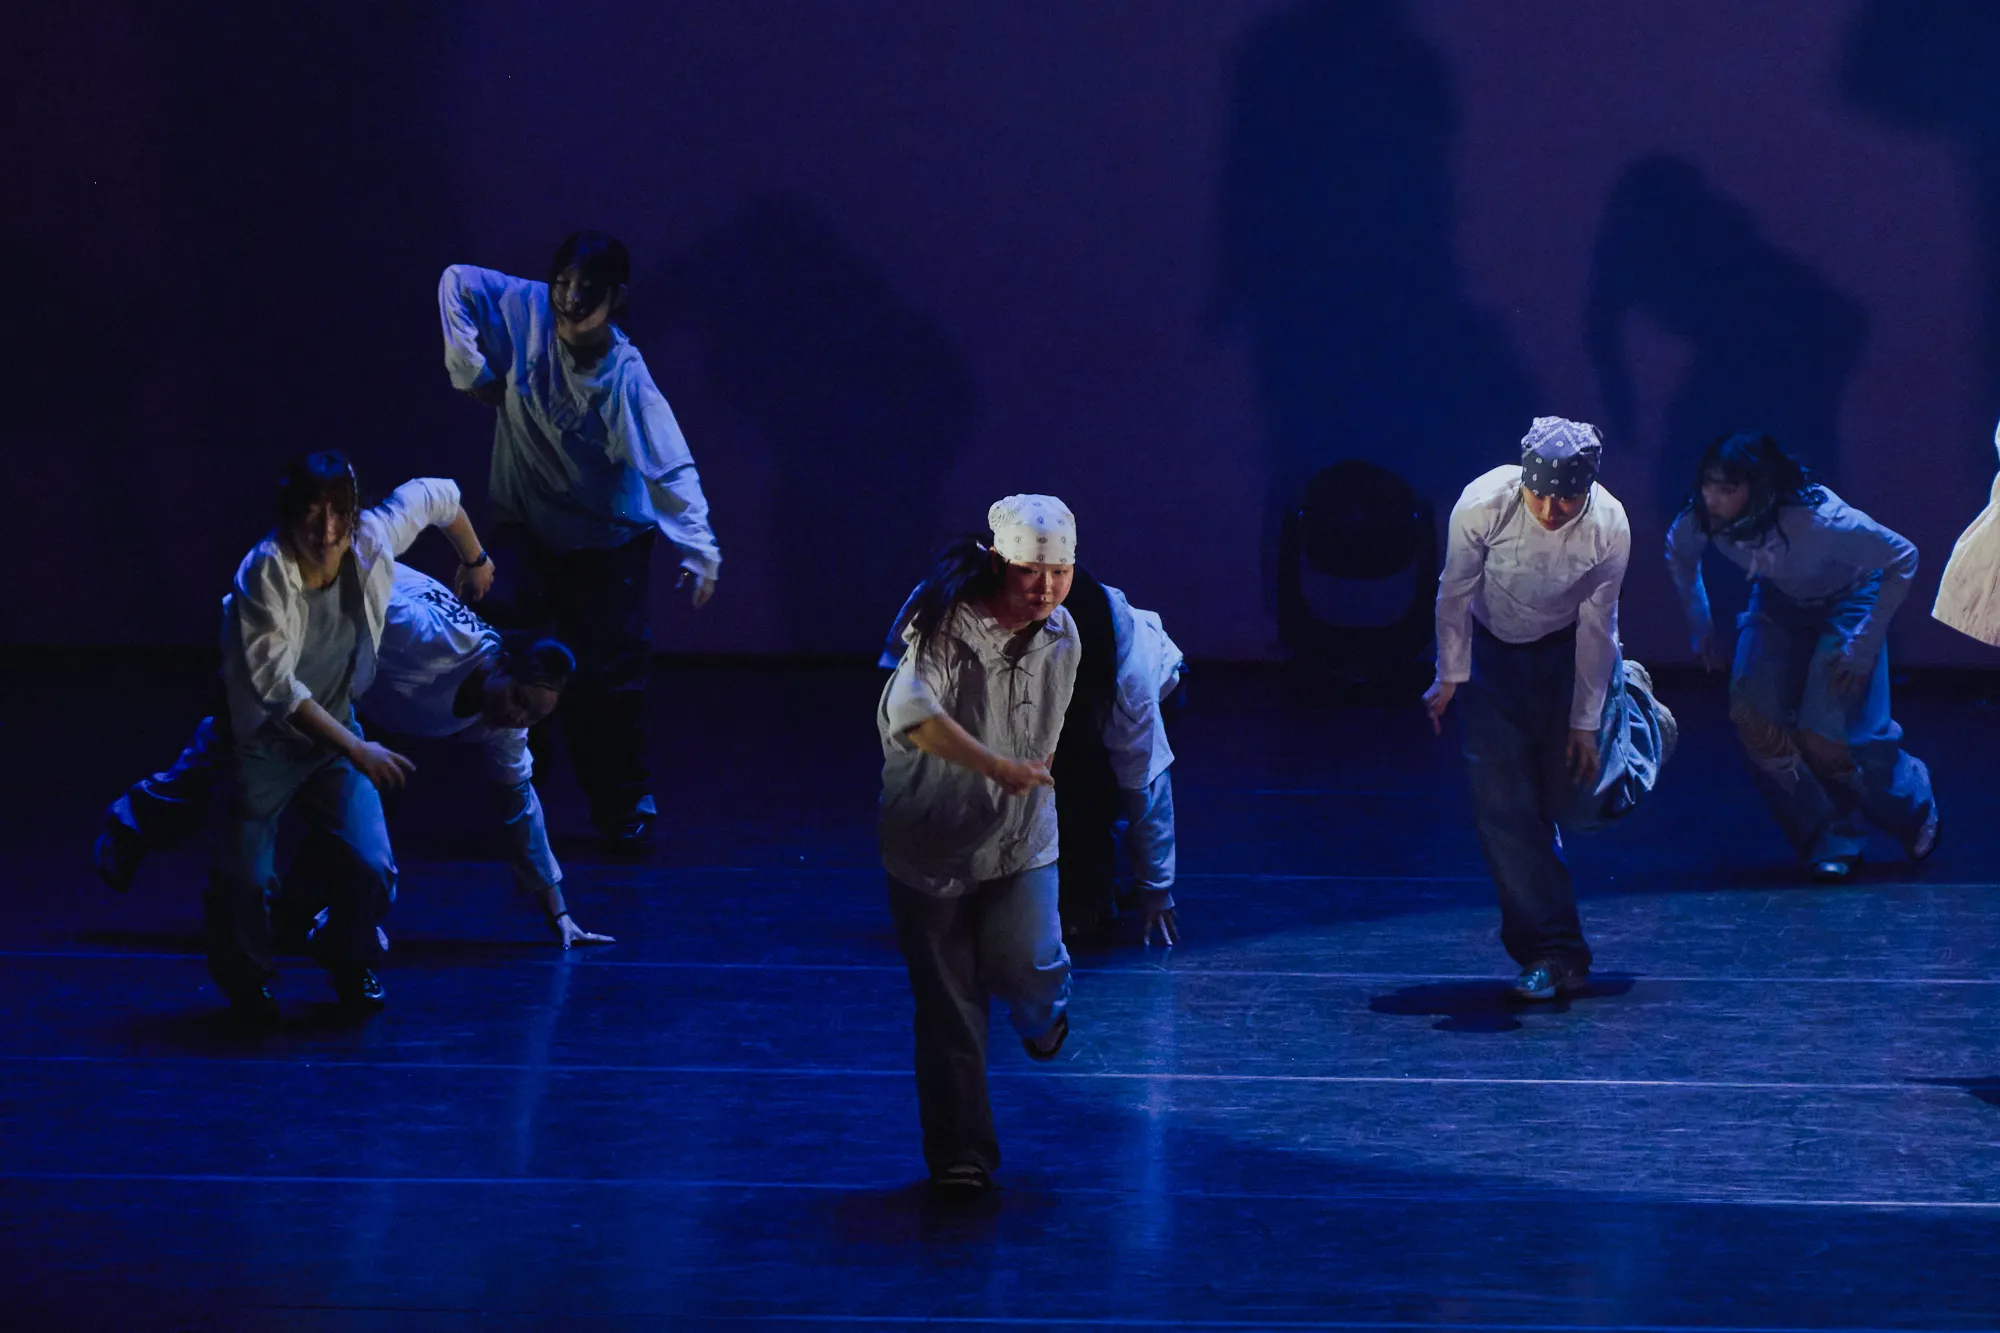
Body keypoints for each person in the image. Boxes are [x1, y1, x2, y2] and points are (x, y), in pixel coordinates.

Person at [98, 566, 614, 950]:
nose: (517, 716)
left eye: (533, 716)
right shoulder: (423, 633)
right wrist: (256, 650)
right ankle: (130, 823)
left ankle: (297, 910)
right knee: (232, 749)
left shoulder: (505, 726)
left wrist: (559, 913)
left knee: (367, 799)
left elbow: (520, 811)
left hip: (359, 700)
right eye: (518, 699)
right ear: (501, 663)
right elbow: (338, 585)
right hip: (307, 645)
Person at [439, 230, 723, 845]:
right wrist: (469, 368)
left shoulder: (624, 376)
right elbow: (456, 280)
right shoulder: (525, 308)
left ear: (616, 297)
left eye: (586, 288)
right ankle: (517, 794)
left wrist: (699, 548)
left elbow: (669, 465)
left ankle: (622, 809)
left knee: (606, 680)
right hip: (527, 526)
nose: (569, 298)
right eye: (562, 283)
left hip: (607, 541)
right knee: (507, 656)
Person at [204, 454, 489, 1023]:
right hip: (263, 740)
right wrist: (357, 749)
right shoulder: (263, 573)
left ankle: (346, 953)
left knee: (371, 864)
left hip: (333, 728)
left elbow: (438, 495)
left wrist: (474, 559)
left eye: (340, 513)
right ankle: (247, 980)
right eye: (313, 513)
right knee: (246, 878)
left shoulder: (369, 538)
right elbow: (277, 689)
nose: (328, 530)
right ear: (290, 515)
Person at [1424, 418, 1675, 1001]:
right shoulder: (1483, 503)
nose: (1551, 510)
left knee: (1582, 803)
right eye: (1540, 495)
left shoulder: (1608, 525)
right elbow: (1454, 590)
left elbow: (1598, 625)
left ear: (1587, 488)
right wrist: (1450, 675)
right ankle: (1552, 952)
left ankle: (1640, 714)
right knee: (1505, 809)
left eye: (1566, 498)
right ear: (1524, 481)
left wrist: (1585, 724)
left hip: (1568, 653)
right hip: (1491, 655)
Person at [878, 495, 1079, 1197]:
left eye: (1059, 572)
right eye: (1030, 571)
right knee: (950, 1007)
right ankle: (960, 1154)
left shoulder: (1064, 634)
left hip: (1021, 834)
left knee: (1030, 961)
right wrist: (994, 765)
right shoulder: (943, 625)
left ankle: (1042, 1015)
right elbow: (911, 713)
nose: (1045, 588)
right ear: (998, 563)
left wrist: (1021, 778)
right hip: (931, 840)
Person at [1666, 431, 1937, 881]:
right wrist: (1701, 624)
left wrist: (1863, 644)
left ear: (1759, 487)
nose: (1711, 498)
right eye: (1708, 484)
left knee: (1824, 738)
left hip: (1849, 599)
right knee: (1755, 721)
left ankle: (1911, 802)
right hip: (1779, 603)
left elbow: (1902, 557)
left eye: (1726, 488)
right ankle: (1829, 837)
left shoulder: (1821, 520)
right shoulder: (1702, 518)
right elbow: (1680, 553)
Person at [879, 571, 1185, 948]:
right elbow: (903, 664)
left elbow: (1145, 785)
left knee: (1080, 789)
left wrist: (1157, 889)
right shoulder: (957, 597)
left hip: (1152, 683)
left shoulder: (1127, 682)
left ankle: (1089, 897)